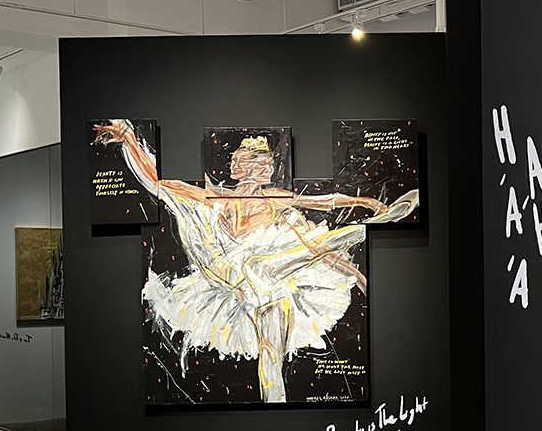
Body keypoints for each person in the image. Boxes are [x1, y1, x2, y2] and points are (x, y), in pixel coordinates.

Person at [93, 121, 418, 403]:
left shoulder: (276, 202)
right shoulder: (214, 198)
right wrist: (129, 139)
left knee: (271, 357)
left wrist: (364, 208)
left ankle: (278, 410)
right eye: (252, 161)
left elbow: (320, 218)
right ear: (241, 167)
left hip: (272, 290)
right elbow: (157, 183)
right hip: (234, 281)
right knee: (257, 267)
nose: (265, 170)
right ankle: (369, 227)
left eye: (264, 163)